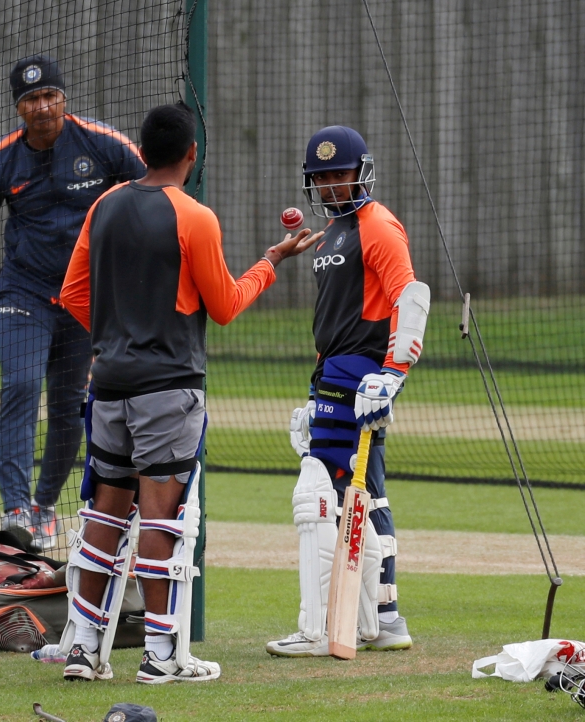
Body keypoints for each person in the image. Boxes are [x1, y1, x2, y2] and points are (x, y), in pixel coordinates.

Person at [59, 103, 320, 683]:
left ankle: (81, 647)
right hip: (169, 388)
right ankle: (159, 656)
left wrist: (113, 340)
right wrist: (272, 261)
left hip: (109, 385)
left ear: (142, 151)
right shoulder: (195, 217)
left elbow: (74, 293)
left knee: (105, 509)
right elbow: (225, 306)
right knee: (161, 521)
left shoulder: (103, 205)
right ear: (191, 154)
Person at [0, 54, 146, 551]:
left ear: (63, 98)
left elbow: (155, 192)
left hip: (85, 301)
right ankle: (15, 508)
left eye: (49, 97)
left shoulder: (105, 147)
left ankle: (43, 507)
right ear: (18, 109)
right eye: (30, 100)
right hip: (24, 294)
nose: (41, 107)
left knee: (68, 410)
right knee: (20, 386)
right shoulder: (1, 162)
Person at [267, 125, 429, 657]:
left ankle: (320, 628)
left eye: (341, 174)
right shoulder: (333, 231)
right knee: (364, 491)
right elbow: (334, 316)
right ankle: (382, 616)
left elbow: (410, 296)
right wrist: (316, 393)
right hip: (333, 373)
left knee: (321, 491)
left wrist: (393, 372)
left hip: (364, 372)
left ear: (361, 173)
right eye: (323, 177)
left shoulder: (377, 226)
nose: (333, 185)